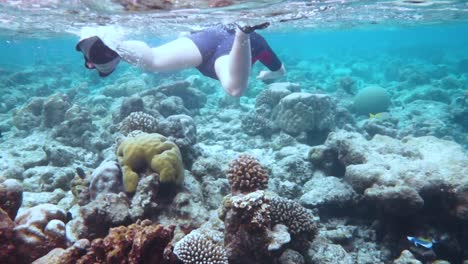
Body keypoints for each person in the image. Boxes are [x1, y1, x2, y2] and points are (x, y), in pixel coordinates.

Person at [76, 23, 286, 97]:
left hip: (209, 35)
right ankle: (244, 32)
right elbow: (280, 70)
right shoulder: (264, 48)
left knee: (155, 59)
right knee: (234, 88)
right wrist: (271, 74)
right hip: (224, 48)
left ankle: (114, 44)